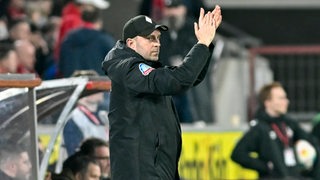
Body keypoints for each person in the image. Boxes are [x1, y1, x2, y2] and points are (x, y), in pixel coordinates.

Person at [101, 5, 222, 180]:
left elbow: (189, 79)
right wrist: (202, 44)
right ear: (131, 43)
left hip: (157, 167)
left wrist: (206, 44)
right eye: (150, 38)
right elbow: (177, 80)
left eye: (158, 38)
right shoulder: (128, 68)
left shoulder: (147, 70)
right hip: (141, 171)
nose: (157, 43)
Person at [231, 82, 320, 179]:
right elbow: (238, 154)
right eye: (281, 98)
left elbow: (312, 141)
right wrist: (266, 167)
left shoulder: (289, 123)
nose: (286, 101)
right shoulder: (260, 128)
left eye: (285, 98)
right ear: (268, 102)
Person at [59, 6, 115, 77]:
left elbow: (61, 65)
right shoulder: (105, 40)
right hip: (99, 85)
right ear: (99, 21)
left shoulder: (68, 39)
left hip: (72, 85)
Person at [63, 84, 107, 156]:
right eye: (94, 89)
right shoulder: (74, 119)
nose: (100, 91)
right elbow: (74, 154)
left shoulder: (102, 116)